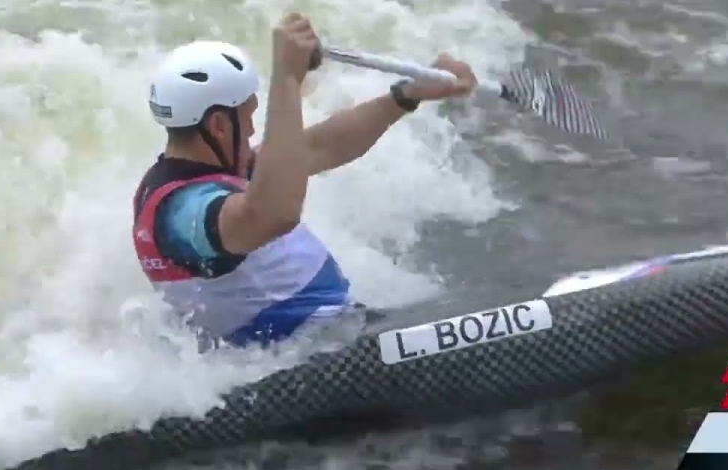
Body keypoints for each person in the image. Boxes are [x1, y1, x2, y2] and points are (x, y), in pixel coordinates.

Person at [131, 12, 477, 347]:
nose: (252, 129)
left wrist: (408, 93)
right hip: (311, 366)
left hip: (335, 338)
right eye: (248, 116)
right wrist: (287, 80)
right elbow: (272, 214)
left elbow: (317, 146)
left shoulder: (212, 173)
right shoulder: (182, 212)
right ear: (219, 126)